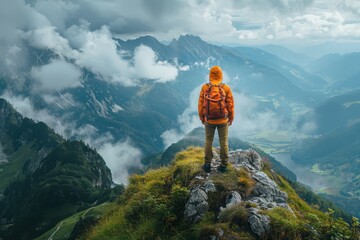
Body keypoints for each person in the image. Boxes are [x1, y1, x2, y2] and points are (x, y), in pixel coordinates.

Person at [198, 66, 234, 173]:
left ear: (210, 75)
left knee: (208, 140)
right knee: (224, 141)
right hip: (223, 120)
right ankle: (223, 165)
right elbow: (230, 105)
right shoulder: (226, 88)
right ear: (221, 75)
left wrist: (202, 118)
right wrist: (231, 118)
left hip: (209, 120)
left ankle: (207, 164)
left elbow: (200, 105)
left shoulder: (205, 87)